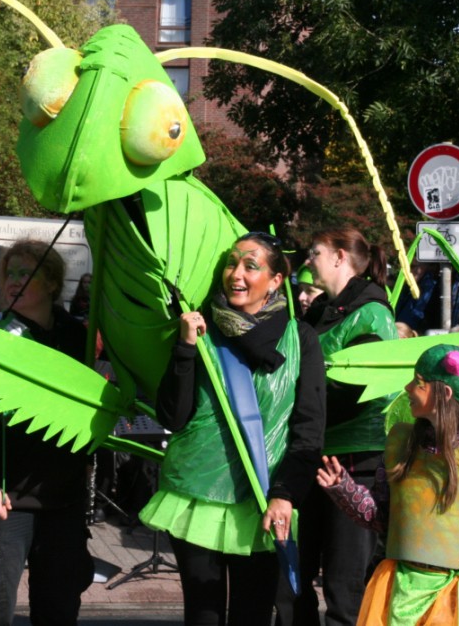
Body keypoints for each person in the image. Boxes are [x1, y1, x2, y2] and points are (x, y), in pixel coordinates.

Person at [138, 232, 326, 626]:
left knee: (252, 615)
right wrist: (186, 348)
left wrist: (286, 494)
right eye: (231, 263)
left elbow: (309, 428)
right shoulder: (200, 328)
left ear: (276, 280)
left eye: (250, 266)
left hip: (263, 497)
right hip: (195, 496)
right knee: (202, 616)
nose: (236, 274)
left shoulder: (301, 338)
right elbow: (172, 417)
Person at [317, 344, 459, 625]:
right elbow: (384, 518)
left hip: (454, 602)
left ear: (444, 393)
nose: (408, 387)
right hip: (400, 593)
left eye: (418, 381)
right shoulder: (404, 445)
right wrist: (344, 488)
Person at [0, 240, 96, 626]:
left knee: (59, 612)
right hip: (3, 503)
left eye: (25, 273)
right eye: (9, 274)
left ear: (51, 283)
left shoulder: (77, 338)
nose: (14, 281)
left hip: (61, 501)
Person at [276, 228, 398, 626]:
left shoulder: (372, 311)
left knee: (345, 590)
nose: (308, 260)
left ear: (340, 257)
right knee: (293, 580)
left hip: (354, 463)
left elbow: (365, 390)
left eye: (315, 253)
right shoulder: (319, 310)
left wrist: (304, 402)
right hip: (314, 454)